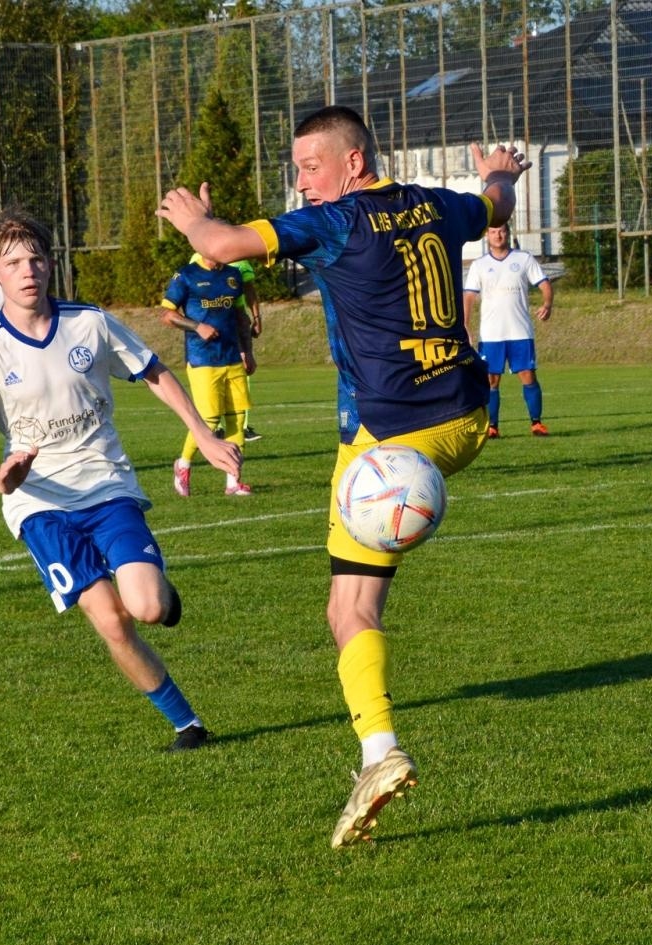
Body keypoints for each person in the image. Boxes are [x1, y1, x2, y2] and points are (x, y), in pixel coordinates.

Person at [159, 104, 528, 846]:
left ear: (353, 163)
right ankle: (375, 753)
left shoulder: (336, 222)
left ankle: (379, 752)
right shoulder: (433, 202)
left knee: (346, 613)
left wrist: (195, 221)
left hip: (385, 435)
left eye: (309, 167)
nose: (302, 183)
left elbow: (228, 245)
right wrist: (501, 172)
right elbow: (497, 202)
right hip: (465, 422)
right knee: (355, 600)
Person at [0, 206, 243, 749]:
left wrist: (202, 435)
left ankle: (161, 592)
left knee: (150, 608)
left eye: (36, 258)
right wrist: (1, 479)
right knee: (111, 620)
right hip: (39, 505)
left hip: (106, 485)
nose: (27, 270)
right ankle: (188, 725)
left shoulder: (89, 321)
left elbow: (152, 369)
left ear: (50, 264)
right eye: (13, 262)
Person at [161, 255, 255, 496]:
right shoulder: (186, 275)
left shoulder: (233, 276)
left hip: (232, 357)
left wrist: (248, 352)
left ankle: (233, 481)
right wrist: (197, 327)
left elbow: (240, 317)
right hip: (202, 360)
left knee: (236, 419)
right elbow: (167, 315)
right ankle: (183, 465)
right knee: (210, 422)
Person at [463, 222, 553, 437]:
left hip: (520, 331)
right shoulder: (479, 265)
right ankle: (492, 427)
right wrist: (465, 325)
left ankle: (536, 423)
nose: (498, 236)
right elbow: (468, 296)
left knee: (527, 375)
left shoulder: (524, 259)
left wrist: (547, 304)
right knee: (491, 380)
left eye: (501, 231)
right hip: (491, 334)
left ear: (507, 233)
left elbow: (544, 284)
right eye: (493, 232)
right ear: (487, 236)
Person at [232, 258, 266, 442]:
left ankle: (241, 426)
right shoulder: (197, 260)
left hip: (237, 319)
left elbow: (250, 290)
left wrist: (257, 317)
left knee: (245, 367)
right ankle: (216, 427)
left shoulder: (239, 260)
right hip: (212, 321)